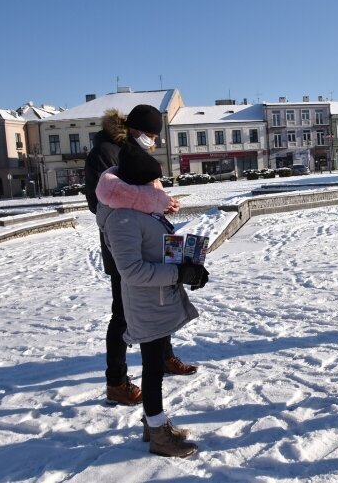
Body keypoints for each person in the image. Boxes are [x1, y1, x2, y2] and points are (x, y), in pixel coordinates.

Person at [96, 119, 209, 458]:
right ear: (140, 184)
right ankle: (158, 433)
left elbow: (159, 244)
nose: (159, 188)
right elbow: (130, 270)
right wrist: (178, 275)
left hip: (159, 299)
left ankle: (154, 423)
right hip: (147, 303)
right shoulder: (123, 216)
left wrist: (190, 263)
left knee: (156, 364)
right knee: (153, 369)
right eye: (154, 182)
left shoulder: (142, 206)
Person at [85, 107, 197, 408]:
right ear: (136, 130)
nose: (155, 141)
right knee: (123, 314)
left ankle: (164, 357)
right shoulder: (107, 153)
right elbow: (104, 202)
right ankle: (117, 382)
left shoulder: (133, 150)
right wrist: (148, 207)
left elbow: (147, 192)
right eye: (152, 135)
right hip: (126, 248)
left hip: (153, 239)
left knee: (164, 300)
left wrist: (163, 203)